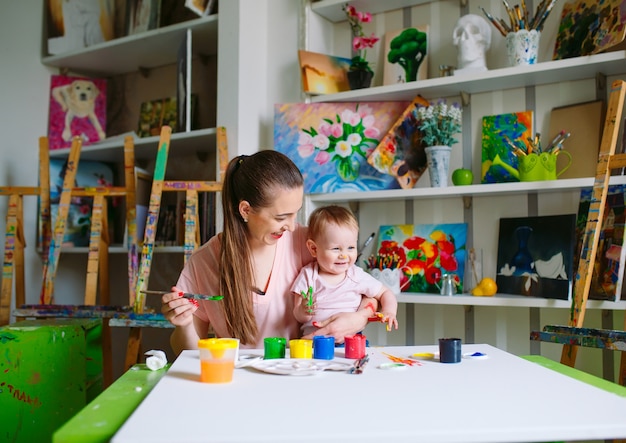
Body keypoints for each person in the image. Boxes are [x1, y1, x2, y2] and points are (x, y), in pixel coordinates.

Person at [161, 151, 377, 355]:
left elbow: (366, 289)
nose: (292, 226)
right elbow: (186, 351)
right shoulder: (205, 261)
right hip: (239, 379)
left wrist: (359, 318)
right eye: (281, 217)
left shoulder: (307, 242)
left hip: (299, 371)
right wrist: (184, 324)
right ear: (245, 210)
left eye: (296, 214)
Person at [291, 205, 398, 336]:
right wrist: (304, 311)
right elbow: (298, 316)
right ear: (314, 249)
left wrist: (389, 311)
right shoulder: (308, 275)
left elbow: (385, 293)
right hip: (313, 344)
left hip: (349, 342)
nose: (344, 255)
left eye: (351, 247)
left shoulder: (356, 275)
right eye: (336, 249)